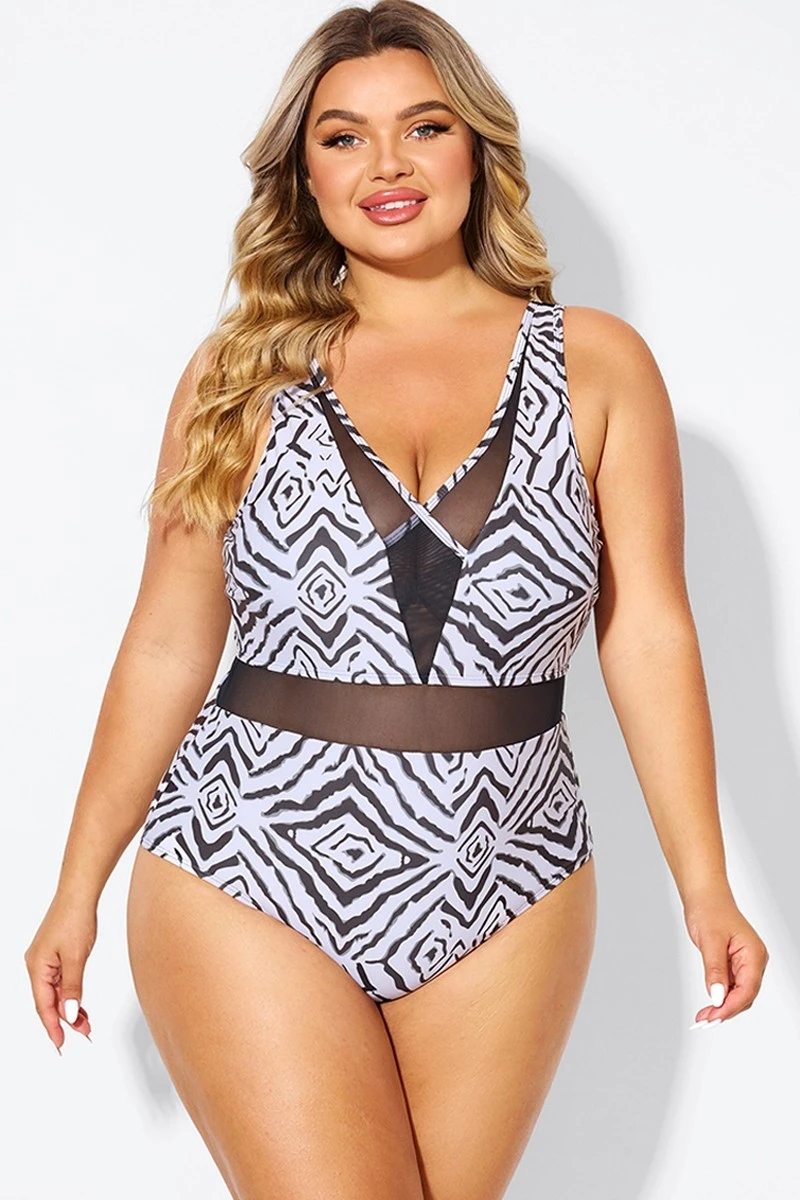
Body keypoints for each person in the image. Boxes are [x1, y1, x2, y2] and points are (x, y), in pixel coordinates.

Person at [25, 2, 769, 1197]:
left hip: (511, 873)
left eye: (423, 127)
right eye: (342, 137)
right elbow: (166, 639)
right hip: (249, 857)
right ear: (302, 173)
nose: (386, 165)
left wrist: (705, 885)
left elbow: (645, 632)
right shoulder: (239, 375)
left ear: (476, 148)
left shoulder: (596, 364)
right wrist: (77, 886)